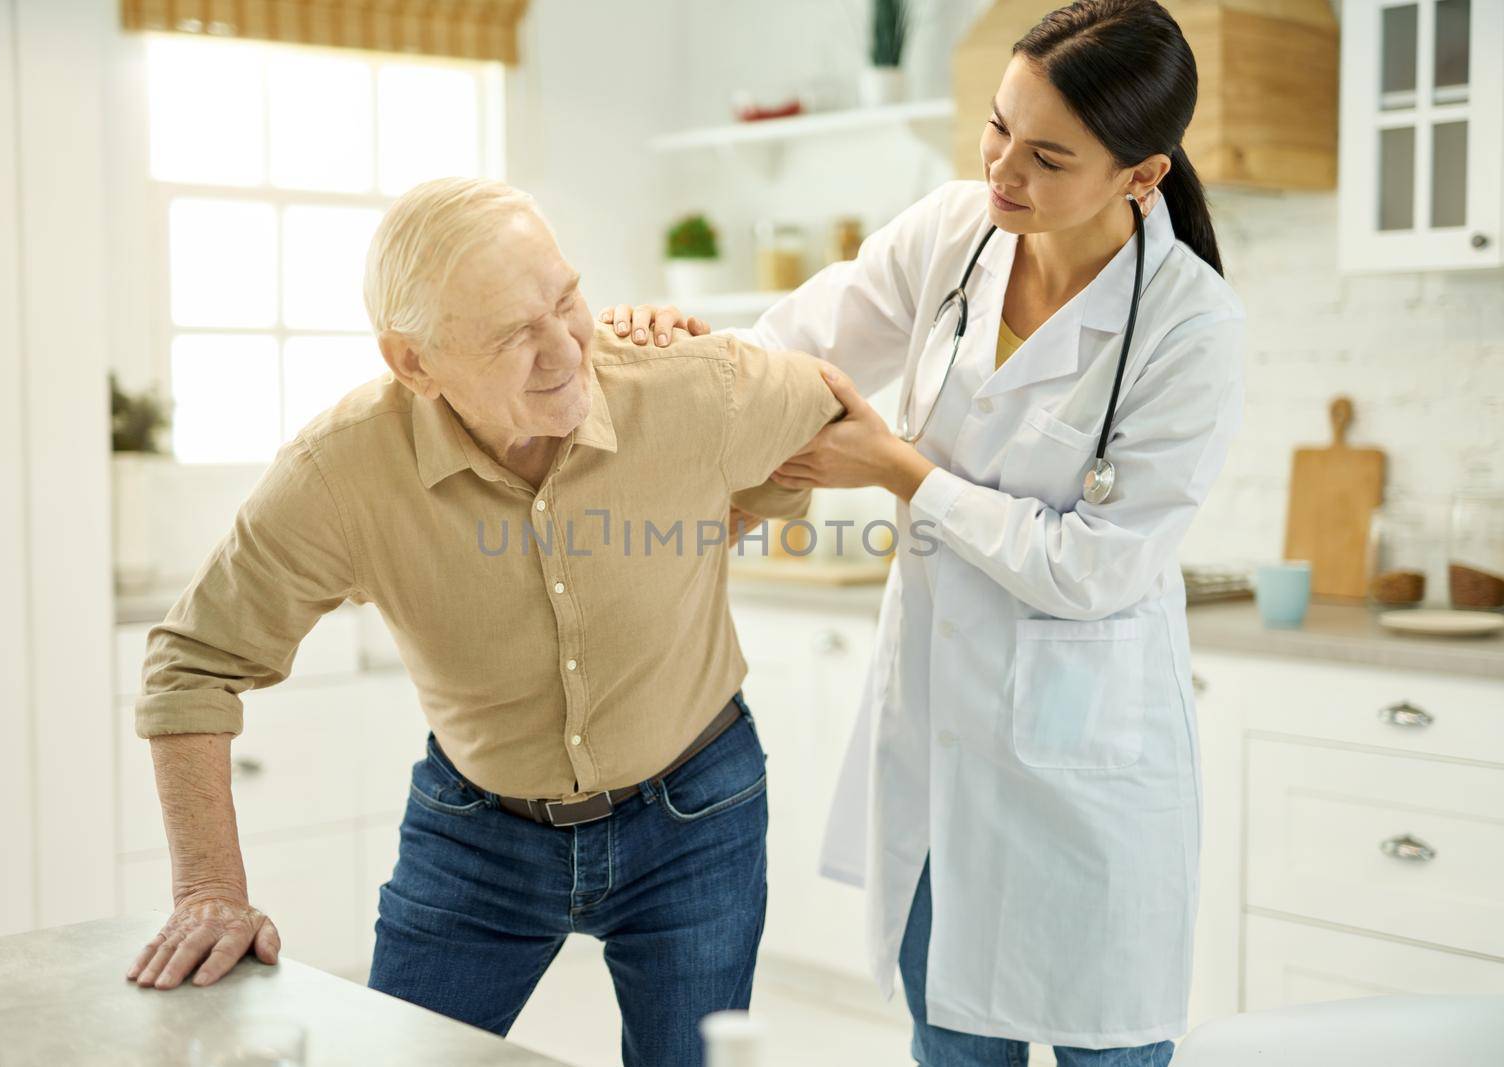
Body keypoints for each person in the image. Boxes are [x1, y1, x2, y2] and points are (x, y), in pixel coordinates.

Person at [602, 1, 1244, 1063]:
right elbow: (795, 350)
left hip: (1085, 772)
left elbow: (1091, 565)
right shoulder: (955, 230)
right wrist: (681, 349)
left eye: (1046, 156)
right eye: (998, 127)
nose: (1003, 172)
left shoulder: (1190, 327)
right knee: (944, 1039)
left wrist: (898, 470)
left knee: (1107, 1047)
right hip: (943, 750)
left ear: (1141, 176)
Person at [123, 176, 841, 1067]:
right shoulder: (341, 473)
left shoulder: (695, 385)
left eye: (566, 299)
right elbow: (192, 662)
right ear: (413, 363)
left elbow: (832, 413)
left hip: (695, 810)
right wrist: (209, 890)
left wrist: (731, 508)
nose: (563, 351)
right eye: (511, 335)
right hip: (478, 837)